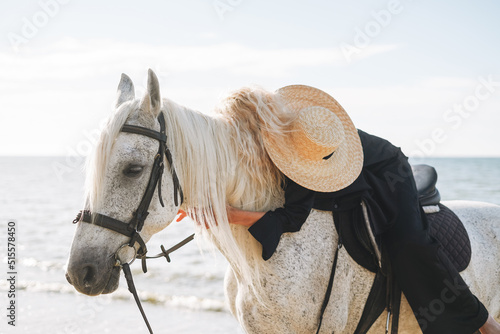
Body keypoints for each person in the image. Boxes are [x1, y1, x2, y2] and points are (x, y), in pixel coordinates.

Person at [181, 85, 500, 333]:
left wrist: (229, 215)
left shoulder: (298, 157)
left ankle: (479, 320)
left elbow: (292, 218)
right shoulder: (264, 139)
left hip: (388, 169)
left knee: (408, 244)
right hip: (338, 166)